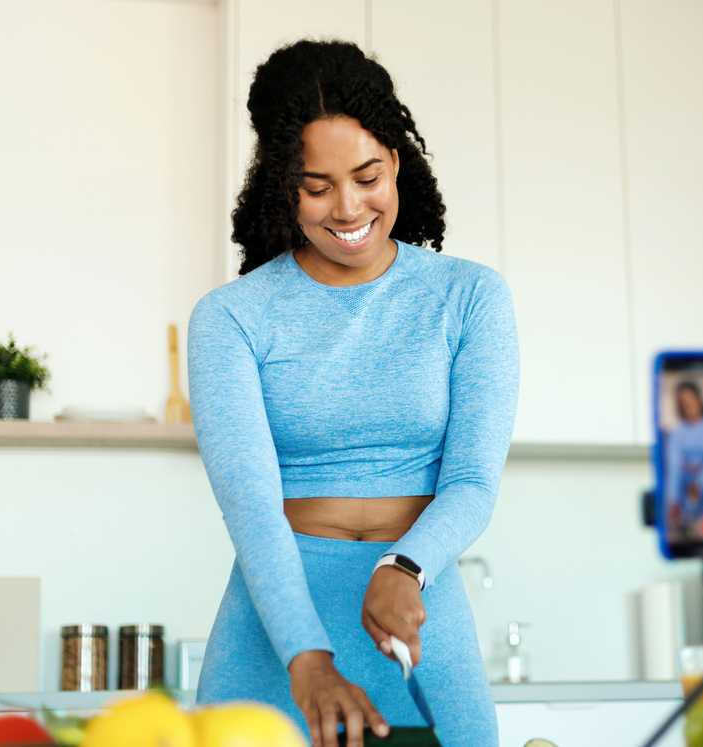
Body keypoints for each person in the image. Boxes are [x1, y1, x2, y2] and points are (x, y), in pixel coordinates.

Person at [187, 39, 518, 747]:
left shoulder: (468, 298)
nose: (348, 207)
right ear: (285, 186)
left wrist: (405, 564)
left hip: (414, 606)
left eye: (367, 175)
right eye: (317, 186)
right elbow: (252, 511)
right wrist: (307, 659)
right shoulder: (232, 317)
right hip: (275, 628)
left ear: (397, 161)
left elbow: (470, 481)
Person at [666, 381, 703, 537]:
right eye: (683, 402)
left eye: (691, 400)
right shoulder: (677, 433)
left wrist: (699, 483)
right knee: (685, 531)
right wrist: (674, 500)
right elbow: (674, 466)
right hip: (683, 492)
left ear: (699, 400)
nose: (688, 405)